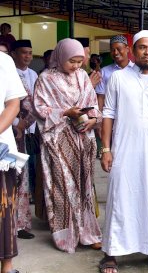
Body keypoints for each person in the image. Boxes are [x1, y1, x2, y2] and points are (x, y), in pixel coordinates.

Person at [100, 30, 148, 272]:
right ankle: (112, 252)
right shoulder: (118, 78)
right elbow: (108, 113)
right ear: (134, 51)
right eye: (142, 47)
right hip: (124, 148)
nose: (147, 52)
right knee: (120, 196)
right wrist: (105, 149)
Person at [32, 38, 102, 253]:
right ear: (61, 56)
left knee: (85, 185)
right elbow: (39, 108)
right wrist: (64, 112)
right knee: (62, 185)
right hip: (58, 140)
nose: (76, 66)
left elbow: (93, 104)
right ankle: (65, 235)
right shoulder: (45, 78)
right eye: (72, 61)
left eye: (80, 61)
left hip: (83, 139)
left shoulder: (82, 76)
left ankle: (88, 233)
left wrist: (93, 119)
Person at [0, 50, 27, 273]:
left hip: (0, 149)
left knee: (3, 208)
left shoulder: (3, 61)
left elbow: (13, 105)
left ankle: (6, 267)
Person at [11, 39, 38, 240]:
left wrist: (26, 126)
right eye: (23, 52)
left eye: (30, 52)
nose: (27, 56)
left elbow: (35, 105)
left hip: (26, 133)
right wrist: (15, 125)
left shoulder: (33, 75)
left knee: (23, 177)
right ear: (13, 54)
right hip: (9, 130)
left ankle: (20, 224)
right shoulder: (8, 73)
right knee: (11, 178)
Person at [95, 35, 134, 111]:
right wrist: (100, 117)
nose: (115, 52)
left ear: (127, 49)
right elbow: (101, 97)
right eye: (112, 50)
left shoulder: (136, 70)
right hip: (111, 116)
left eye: (119, 49)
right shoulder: (104, 72)